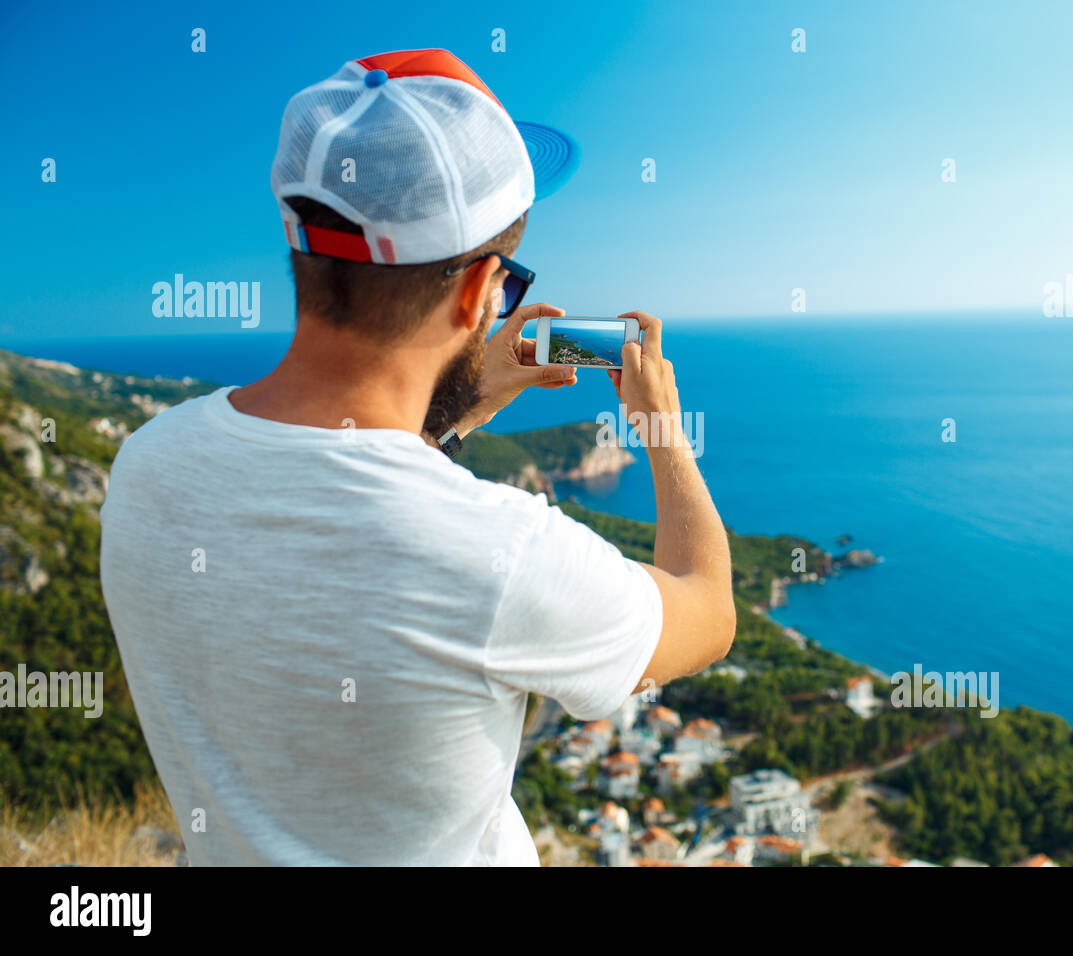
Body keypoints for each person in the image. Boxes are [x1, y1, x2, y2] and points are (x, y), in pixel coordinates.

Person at [98, 49, 734, 866]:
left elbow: (343, 494)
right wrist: (661, 429)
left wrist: (473, 392)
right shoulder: (503, 557)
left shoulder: (147, 468)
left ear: (304, 247)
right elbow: (708, 611)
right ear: (480, 293)